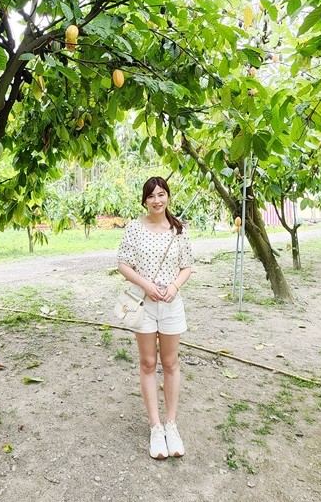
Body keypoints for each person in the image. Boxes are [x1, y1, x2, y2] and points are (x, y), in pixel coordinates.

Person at [117, 176, 194, 460]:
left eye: (162, 194)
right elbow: (122, 264)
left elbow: (187, 266)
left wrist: (173, 287)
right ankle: (155, 426)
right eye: (151, 196)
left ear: (168, 197)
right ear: (144, 200)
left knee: (171, 363)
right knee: (148, 363)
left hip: (172, 305)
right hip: (145, 304)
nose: (157, 200)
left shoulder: (179, 230)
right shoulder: (135, 228)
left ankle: (171, 425)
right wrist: (147, 286)